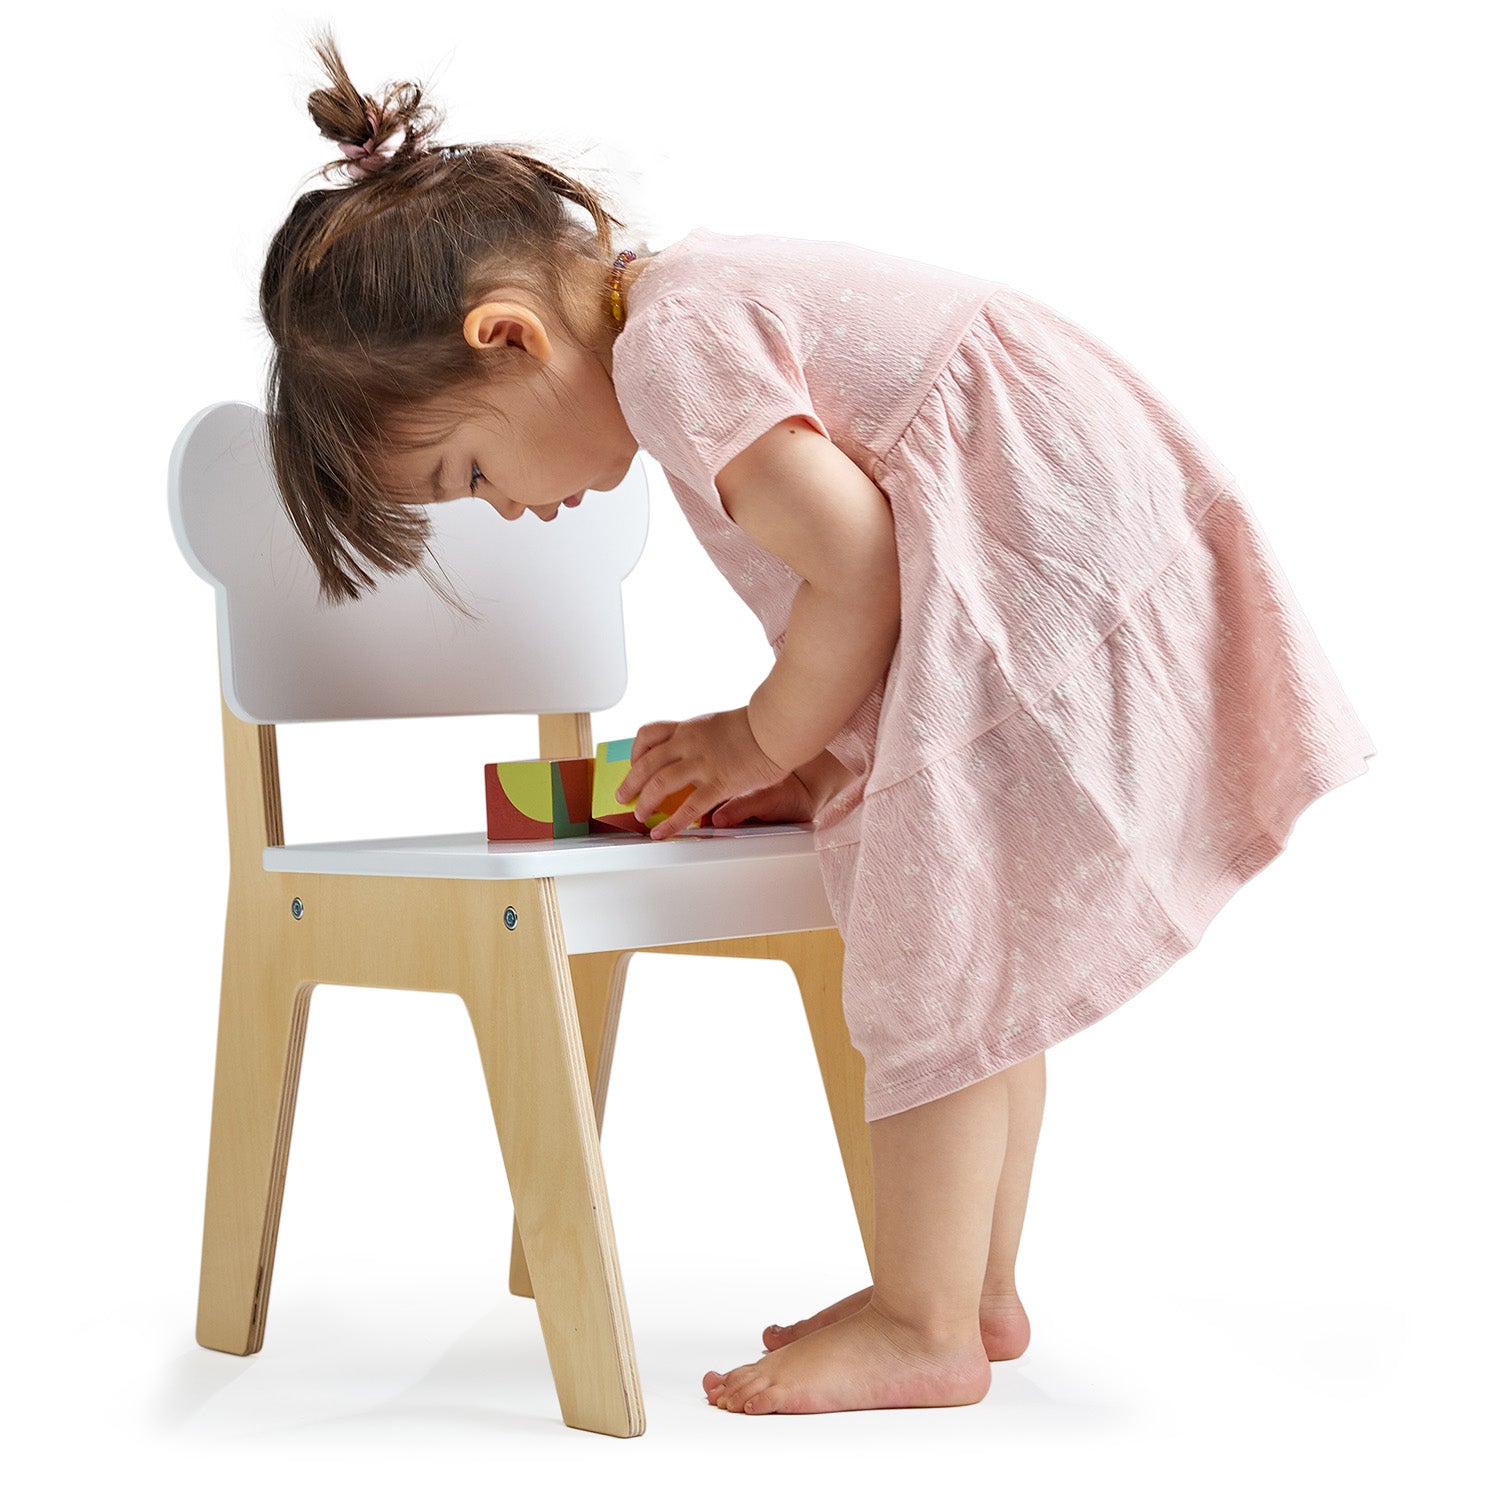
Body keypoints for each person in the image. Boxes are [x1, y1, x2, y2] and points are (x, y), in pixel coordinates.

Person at [257, 29, 1378, 1418]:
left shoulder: (673, 350)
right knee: (981, 954)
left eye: (472, 470)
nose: (512, 510)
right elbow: (869, 562)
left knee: (927, 953)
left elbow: (856, 561)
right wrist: (813, 754)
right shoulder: (686, 309)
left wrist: (759, 740)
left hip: (1040, 570)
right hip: (1057, 553)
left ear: (510, 337)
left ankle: (923, 1323)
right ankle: (968, 1291)